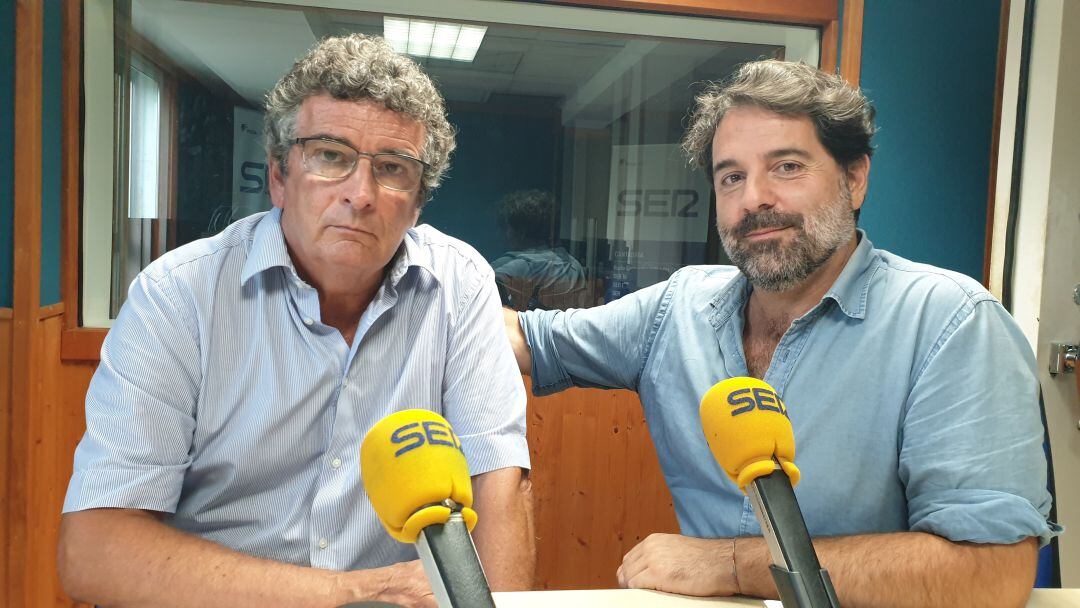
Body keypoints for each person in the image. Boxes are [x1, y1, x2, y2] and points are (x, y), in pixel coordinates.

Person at [504, 60, 1058, 607]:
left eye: (787, 166)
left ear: (855, 177)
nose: (754, 199)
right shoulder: (678, 308)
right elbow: (523, 339)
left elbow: (990, 571)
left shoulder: (952, 324)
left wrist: (732, 563)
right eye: (731, 177)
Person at [59, 34, 533, 608]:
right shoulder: (178, 297)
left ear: (417, 203)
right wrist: (348, 592)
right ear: (280, 176)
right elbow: (94, 549)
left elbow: (498, 481)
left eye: (392, 169)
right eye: (330, 155)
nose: (360, 195)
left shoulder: (460, 286)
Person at [490, 189, 588, 311]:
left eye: (503, 227)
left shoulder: (510, 267)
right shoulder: (573, 266)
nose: (498, 234)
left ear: (520, 232)